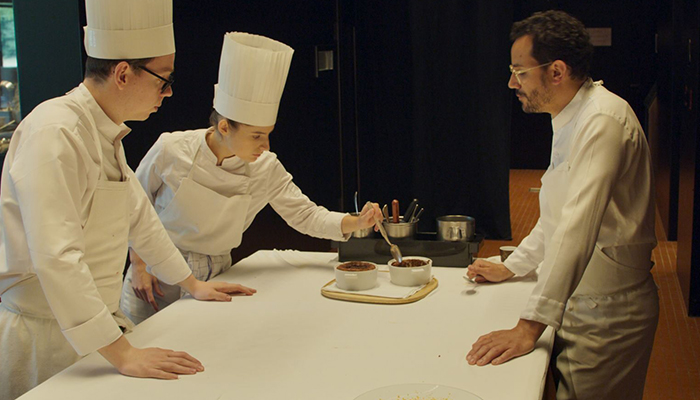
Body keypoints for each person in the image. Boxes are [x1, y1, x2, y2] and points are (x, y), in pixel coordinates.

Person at [0, 1, 256, 398]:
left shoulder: (105, 133)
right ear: (122, 73)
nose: (167, 93)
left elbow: (142, 221)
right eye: (163, 80)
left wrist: (191, 284)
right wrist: (123, 354)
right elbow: (55, 256)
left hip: (95, 334)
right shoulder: (55, 131)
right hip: (45, 337)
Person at [119, 32, 381, 324]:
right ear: (224, 127)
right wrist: (138, 264)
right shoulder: (171, 148)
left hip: (218, 272)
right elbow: (133, 204)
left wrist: (357, 222)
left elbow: (305, 215)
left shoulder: (265, 167)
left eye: (267, 134)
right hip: (156, 275)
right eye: (256, 136)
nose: (265, 146)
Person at [465, 10, 658, 400]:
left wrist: (528, 326)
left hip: (609, 312)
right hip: (582, 300)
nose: (511, 82)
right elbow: (555, 215)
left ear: (556, 71)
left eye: (520, 72)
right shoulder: (571, 116)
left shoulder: (602, 120)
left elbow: (576, 227)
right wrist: (512, 267)